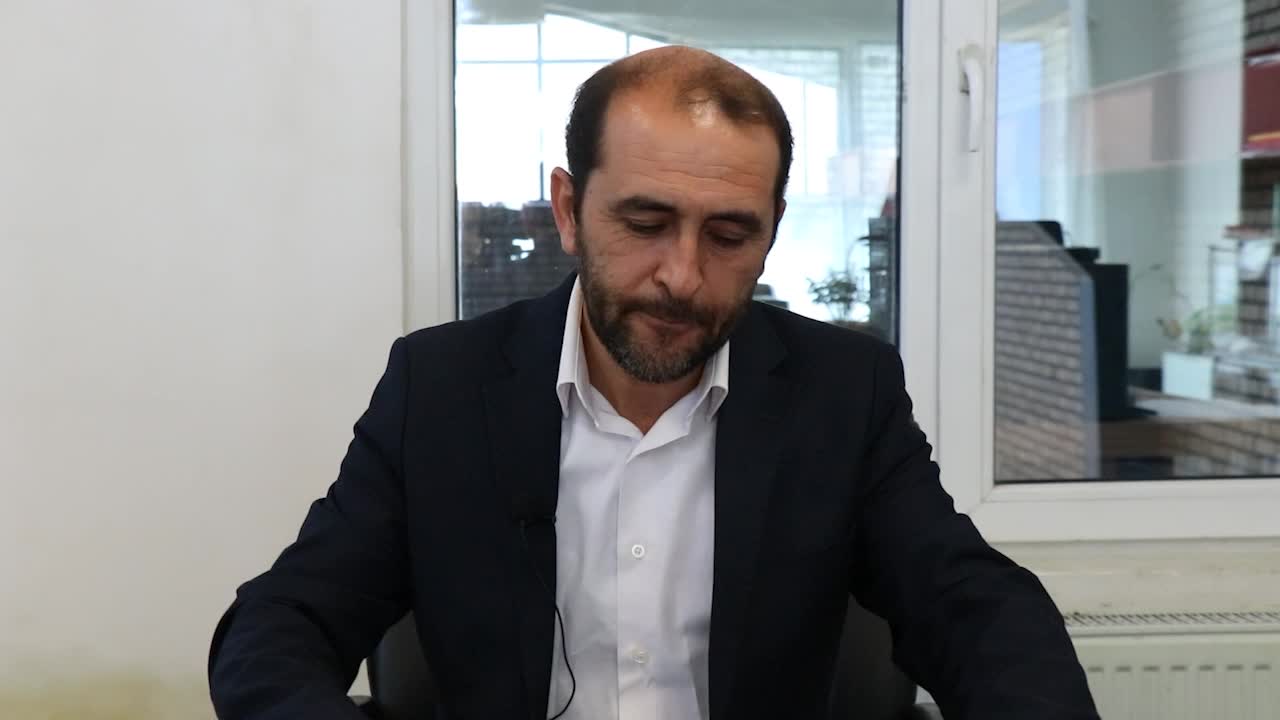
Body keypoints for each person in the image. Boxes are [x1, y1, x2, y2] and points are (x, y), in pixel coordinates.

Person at [209, 46, 1099, 720]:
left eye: (729, 236)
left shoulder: (843, 392)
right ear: (569, 210)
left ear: (772, 231)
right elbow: (281, 623)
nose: (682, 276)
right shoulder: (440, 388)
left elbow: (972, 607)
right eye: (645, 223)